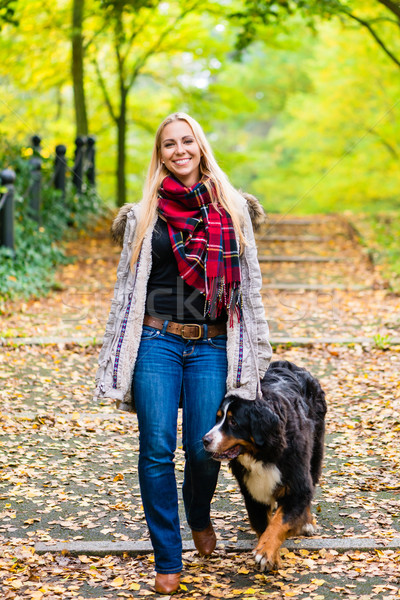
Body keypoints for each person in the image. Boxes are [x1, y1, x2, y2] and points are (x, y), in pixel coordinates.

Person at [95, 113, 271, 594]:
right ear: (160, 154)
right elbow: (126, 289)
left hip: (212, 341)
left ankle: (198, 513)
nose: (179, 150)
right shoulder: (144, 213)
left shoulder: (232, 208)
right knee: (155, 449)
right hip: (157, 340)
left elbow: (249, 286)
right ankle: (168, 557)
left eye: (186, 141)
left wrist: (258, 347)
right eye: (169, 144)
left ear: (200, 145)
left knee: (203, 447)